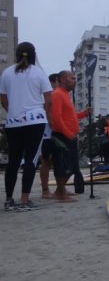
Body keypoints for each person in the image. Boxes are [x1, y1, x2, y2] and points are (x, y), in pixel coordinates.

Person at [0, 42, 52, 211]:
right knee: (31, 159)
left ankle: (8, 199)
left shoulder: (7, 73)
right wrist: (40, 112)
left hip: (13, 122)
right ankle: (24, 199)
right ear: (33, 55)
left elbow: (3, 99)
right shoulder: (39, 73)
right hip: (35, 121)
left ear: (17, 54)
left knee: (14, 160)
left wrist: (14, 112)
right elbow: (48, 98)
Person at [50, 70, 91, 202]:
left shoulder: (65, 95)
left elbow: (70, 116)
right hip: (62, 136)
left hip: (70, 135)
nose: (75, 81)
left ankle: (59, 191)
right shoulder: (57, 94)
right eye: (72, 78)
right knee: (63, 165)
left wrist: (84, 113)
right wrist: (68, 134)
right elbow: (56, 118)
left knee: (71, 166)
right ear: (62, 79)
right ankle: (61, 194)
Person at [39, 73, 59, 198]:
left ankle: (59, 189)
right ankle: (45, 190)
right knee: (46, 162)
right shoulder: (48, 95)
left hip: (57, 132)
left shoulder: (59, 94)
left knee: (58, 161)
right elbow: (46, 110)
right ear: (53, 82)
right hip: (47, 133)